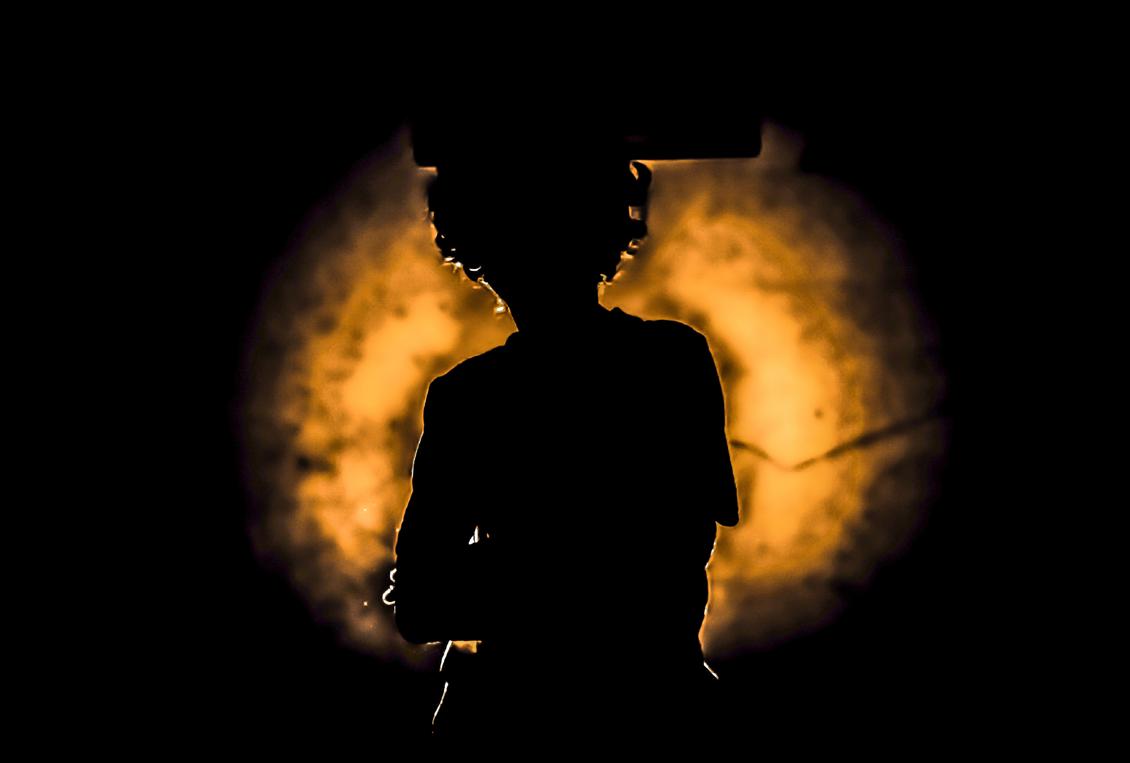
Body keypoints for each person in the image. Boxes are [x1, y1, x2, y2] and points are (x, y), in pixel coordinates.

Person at [382, 135, 741, 747]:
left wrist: (498, 579)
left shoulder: (471, 398)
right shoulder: (670, 361)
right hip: (651, 710)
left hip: (523, 720)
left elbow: (425, 600)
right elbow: (656, 564)